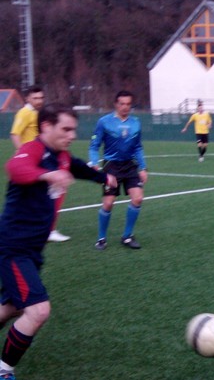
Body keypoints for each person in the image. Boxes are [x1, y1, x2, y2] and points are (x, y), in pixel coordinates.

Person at [0, 103, 116, 380]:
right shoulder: (34, 149)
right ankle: (4, 370)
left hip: (32, 249)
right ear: (46, 127)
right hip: (14, 247)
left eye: (73, 129)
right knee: (38, 310)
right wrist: (45, 174)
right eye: (65, 129)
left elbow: (77, 167)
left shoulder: (61, 156)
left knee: (12, 308)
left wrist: (104, 177)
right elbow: (15, 167)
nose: (71, 134)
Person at [9, 87, 70, 243]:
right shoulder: (25, 113)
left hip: (43, 158)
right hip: (34, 161)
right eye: (35, 98)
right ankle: (48, 230)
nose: (39, 101)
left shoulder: (38, 114)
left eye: (41, 97)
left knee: (48, 194)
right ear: (27, 98)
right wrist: (22, 154)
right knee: (55, 192)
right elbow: (15, 133)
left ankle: (42, 229)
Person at [89, 90, 147, 250]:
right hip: (111, 166)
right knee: (108, 203)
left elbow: (138, 147)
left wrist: (143, 167)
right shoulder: (104, 122)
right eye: (122, 104)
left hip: (130, 166)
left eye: (128, 104)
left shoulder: (136, 123)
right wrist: (94, 162)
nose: (125, 107)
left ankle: (127, 236)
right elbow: (94, 145)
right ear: (116, 104)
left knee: (138, 199)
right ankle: (101, 238)